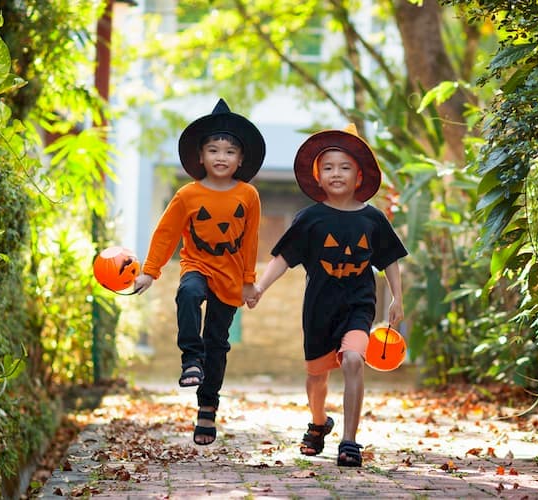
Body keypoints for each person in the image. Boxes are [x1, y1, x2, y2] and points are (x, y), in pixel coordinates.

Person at [247, 124, 406, 467]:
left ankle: (349, 441)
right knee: (316, 378)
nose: (336, 173)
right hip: (319, 308)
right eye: (329, 168)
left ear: (359, 175)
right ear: (318, 177)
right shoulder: (310, 219)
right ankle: (319, 423)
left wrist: (397, 298)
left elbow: (390, 259)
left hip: (359, 305)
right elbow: (284, 258)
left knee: (352, 360)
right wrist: (259, 287)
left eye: (345, 167)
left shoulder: (372, 219)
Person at [133, 98, 265, 446]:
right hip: (197, 265)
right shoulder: (187, 194)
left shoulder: (248, 195)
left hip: (232, 275)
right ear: (201, 157)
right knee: (188, 292)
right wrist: (150, 271)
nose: (221, 157)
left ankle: (207, 409)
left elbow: (251, 240)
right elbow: (166, 234)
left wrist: (249, 282)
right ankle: (190, 357)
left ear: (240, 159)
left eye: (229, 151)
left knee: (218, 344)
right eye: (213, 150)